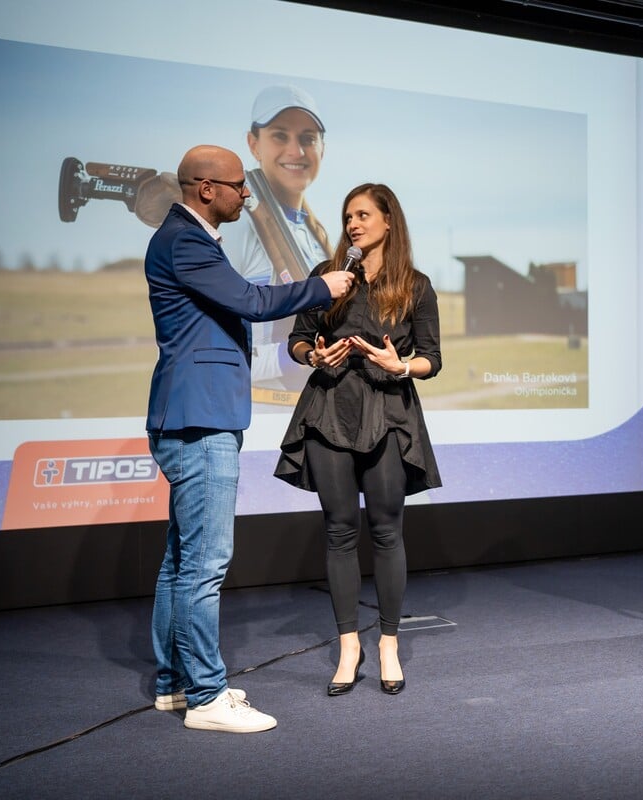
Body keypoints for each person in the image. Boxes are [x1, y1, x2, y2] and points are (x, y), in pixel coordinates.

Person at [145, 145, 353, 732]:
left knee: (182, 560)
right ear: (205, 188)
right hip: (199, 418)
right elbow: (252, 302)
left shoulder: (190, 239)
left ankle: (176, 684)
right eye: (240, 186)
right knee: (205, 563)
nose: (248, 195)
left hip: (194, 413)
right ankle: (207, 698)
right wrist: (324, 287)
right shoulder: (184, 240)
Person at [275, 183, 442, 696]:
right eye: (348, 216)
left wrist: (401, 364)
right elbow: (298, 337)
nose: (353, 224)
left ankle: (387, 643)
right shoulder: (327, 278)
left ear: (389, 221)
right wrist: (311, 357)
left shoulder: (415, 285)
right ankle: (350, 645)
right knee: (339, 530)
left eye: (364, 215)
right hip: (329, 411)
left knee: (387, 530)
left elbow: (432, 359)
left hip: (389, 412)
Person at [223, 85, 335, 409]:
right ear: (253, 144)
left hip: (313, 410)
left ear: (322, 149)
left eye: (307, 139)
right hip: (256, 413)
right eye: (280, 136)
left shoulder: (319, 235)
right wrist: (290, 357)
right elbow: (212, 346)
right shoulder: (238, 226)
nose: (296, 151)